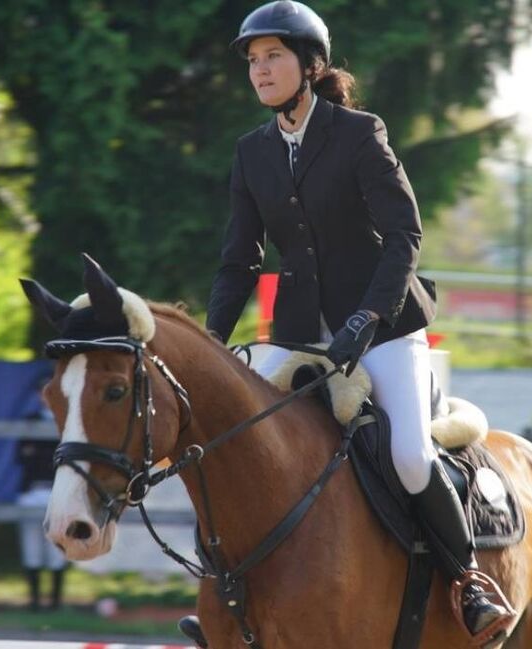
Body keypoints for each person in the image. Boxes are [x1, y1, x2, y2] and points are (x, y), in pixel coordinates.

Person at [198, 1, 514, 645]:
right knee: (235, 445)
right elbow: (238, 261)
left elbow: (405, 235)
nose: (260, 72)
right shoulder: (251, 152)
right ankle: (229, 601)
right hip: (294, 332)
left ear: (311, 66)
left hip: (385, 325)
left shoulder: (359, 132)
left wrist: (367, 319)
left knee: (407, 453)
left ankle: (471, 581)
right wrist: (211, 343)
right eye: (253, 62)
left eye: (273, 58)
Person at [16, 377, 67, 611]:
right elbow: (21, 456)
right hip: (32, 490)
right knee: (32, 547)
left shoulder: (67, 421)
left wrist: (39, 453)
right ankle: (35, 600)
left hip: (59, 491)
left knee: (57, 548)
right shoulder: (29, 421)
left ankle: (56, 601)